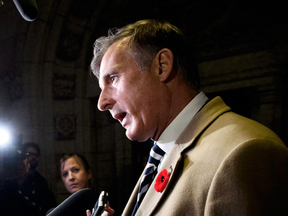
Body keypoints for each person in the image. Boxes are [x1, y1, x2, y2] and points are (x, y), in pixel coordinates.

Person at [88, 19, 288, 216]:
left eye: (112, 79)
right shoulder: (161, 155)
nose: (101, 103)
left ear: (162, 66)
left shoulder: (244, 152)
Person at [0, 142, 57, 216]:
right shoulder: (9, 181)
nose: (33, 157)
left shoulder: (41, 182)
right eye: (29, 154)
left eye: (35, 155)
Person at [47, 153, 114, 216]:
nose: (71, 177)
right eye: (65, 174)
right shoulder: (57, 212)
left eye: (76, 170)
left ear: (88, 174)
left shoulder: (107, 206)